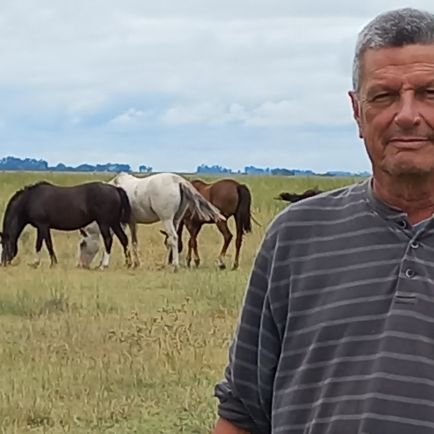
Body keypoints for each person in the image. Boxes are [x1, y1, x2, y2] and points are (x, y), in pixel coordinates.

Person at [212, 7, 434, 434]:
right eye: (384, 96)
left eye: (430, 92)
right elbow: (242, 413)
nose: (407, 115)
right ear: (356, 111)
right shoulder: (296, 237)